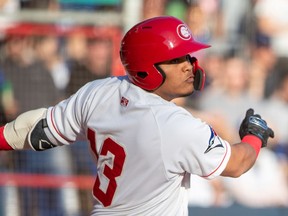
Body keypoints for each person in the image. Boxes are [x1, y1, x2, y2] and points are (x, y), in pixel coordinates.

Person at [0, 16, 274, 215]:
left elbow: (37, 128)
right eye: (176, 59)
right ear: (147, 67)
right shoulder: (175, 125)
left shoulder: (100, 91)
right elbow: (237, 164)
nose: (190, 66)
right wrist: (254, 136)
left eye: (188, 57)